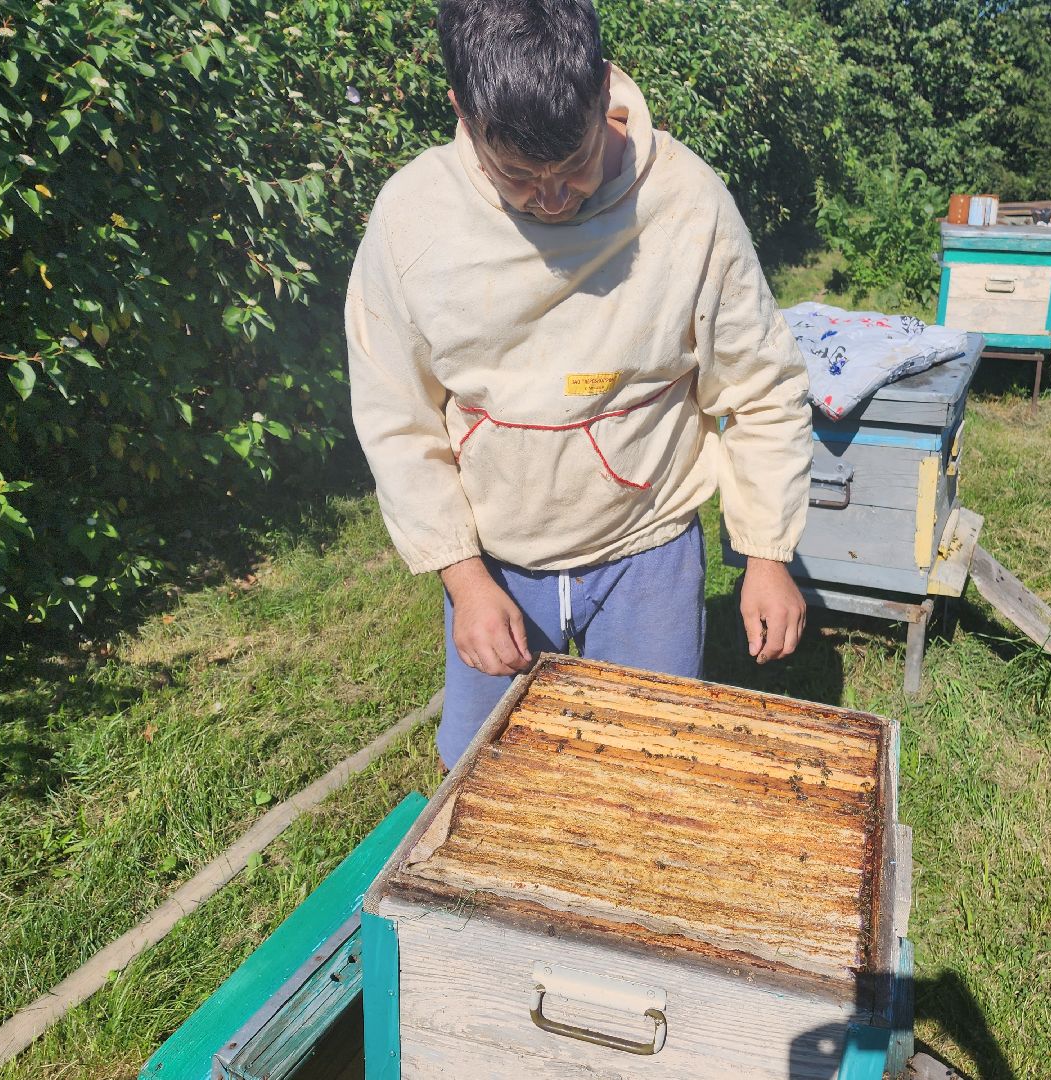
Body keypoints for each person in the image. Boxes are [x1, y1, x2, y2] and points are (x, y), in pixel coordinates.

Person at [345, 0, 812, 769]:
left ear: (601, 93)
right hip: (499, 560)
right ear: (462, 111)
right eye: (521, 178)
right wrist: (463, 580)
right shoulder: (410, 222)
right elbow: (397, 418)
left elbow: (759, 386)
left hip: (647, 548)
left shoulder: (690, 202)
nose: (555, 199)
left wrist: (766, 555)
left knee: (644, 762)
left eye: (574, 167)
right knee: (488, 770)